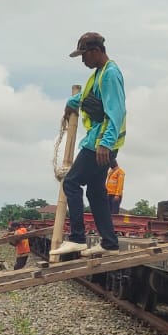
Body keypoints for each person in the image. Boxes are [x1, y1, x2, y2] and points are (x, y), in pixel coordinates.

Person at [51, 32, 126, 257]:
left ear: (96, 51)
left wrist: (106, 143)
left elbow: (117, 110)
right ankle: (110, 242)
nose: (83, 60)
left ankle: (77, 238)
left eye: (84, 55)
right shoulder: (97, 75)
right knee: (95, 192)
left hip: (99, 143)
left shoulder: (110, 74)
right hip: (100, 141)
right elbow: (85, 97)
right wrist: (69, 104)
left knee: (72, 183)